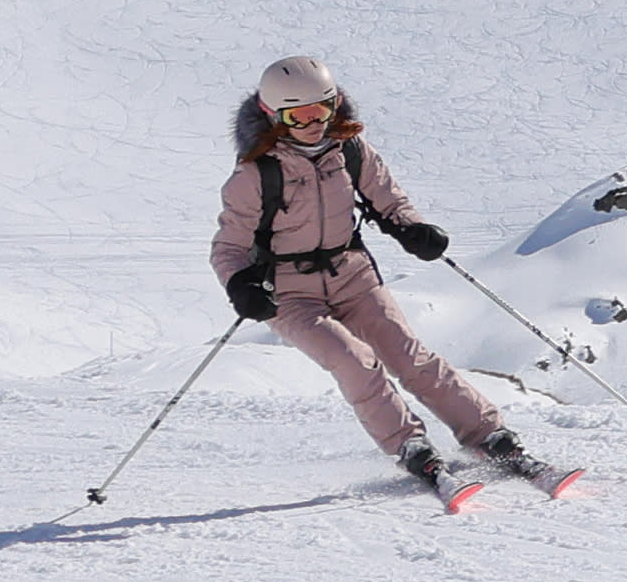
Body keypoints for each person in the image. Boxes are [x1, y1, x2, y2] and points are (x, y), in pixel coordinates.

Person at [211, 55, 543, 500]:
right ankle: (409, 444)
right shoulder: (255, 174)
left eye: (322, 110)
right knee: (353, 360)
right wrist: (242, 286)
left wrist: (412, 228)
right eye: (299, 115)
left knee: (410, 356)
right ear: (274, 115)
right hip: (289, 291)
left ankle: (489, 435)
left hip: (352, 273)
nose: (313, 123)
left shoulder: (350, 150)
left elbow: (389, 199)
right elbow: (228, 248)